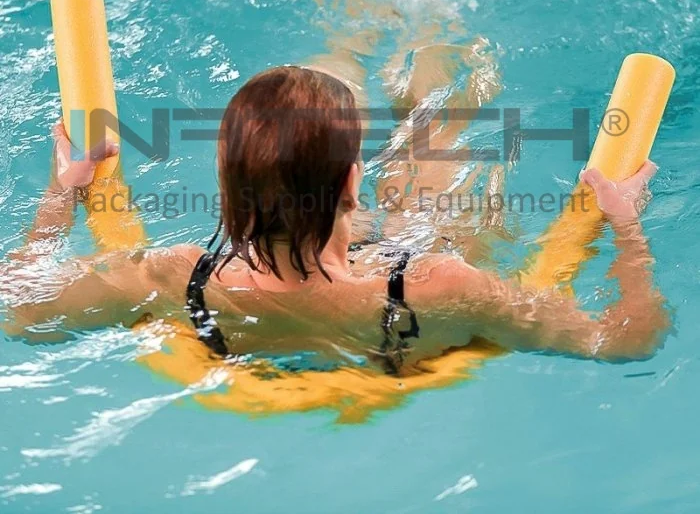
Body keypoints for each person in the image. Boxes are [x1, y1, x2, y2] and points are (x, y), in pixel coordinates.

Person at [1, 66, 670, 373]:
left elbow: (19, 310)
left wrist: (62, 193)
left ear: (227, 183)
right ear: (353, 180)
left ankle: (350, 56)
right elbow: (625, 340)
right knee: (435, 147)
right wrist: (628, 229)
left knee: (330, 96)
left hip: (257, 295)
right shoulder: (443, 284)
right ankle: (418, 68)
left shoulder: (176, 278)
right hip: (390, 298)